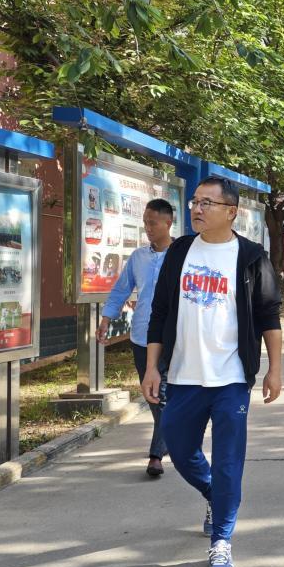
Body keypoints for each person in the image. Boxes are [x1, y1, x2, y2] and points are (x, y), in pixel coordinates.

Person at [142, 177, 283, 567]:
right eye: (195, 202)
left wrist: (274, 368)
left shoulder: (251, 256)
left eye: (207, 203)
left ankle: (222, 539)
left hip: (231, 378)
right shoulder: (181, 251)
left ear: (231, 211)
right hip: (183, 376)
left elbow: (269, 316)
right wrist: (152, 367)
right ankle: (213, 495)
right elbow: (160, 312)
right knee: (179, 447)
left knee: (228, 462)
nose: (197, 209)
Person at [98, 198, 175, 477]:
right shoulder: (139, 257)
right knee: (152, 393)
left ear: (168, 222)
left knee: (162, 393)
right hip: (142, 336)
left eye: (152, 223)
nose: (148, 228)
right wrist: (106, 318)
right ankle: (168, 438)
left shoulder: (182, 255)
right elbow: (122, 289)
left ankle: (156, 455)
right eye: (145, 223)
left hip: (173, 337)